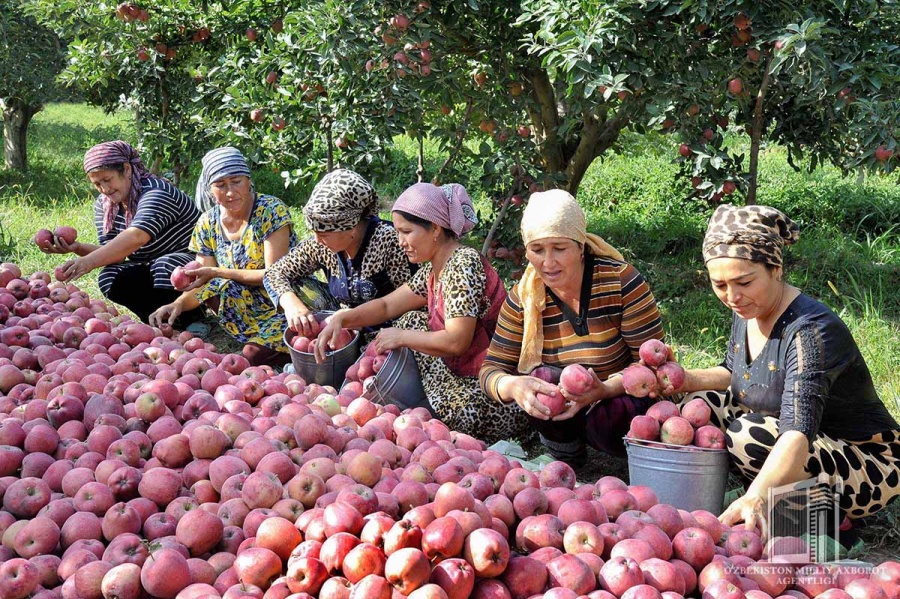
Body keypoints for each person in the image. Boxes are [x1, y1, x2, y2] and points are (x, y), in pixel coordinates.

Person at [669, 204, 900, 536]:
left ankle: (827, 518)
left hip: (865, 462)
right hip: (808, 439)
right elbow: (734, 372)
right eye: (719, 285)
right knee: (697, 401)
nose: (732, 296)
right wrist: (684, 380)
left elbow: (798, 431)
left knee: (749, 436)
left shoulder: (811, 330)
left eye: (744, 282)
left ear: (775, 268)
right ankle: (750, 494)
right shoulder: (749, 309)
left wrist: (756, 497)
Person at [316, 182, 530, 444]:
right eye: (398, 232)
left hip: (496, 390)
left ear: (436, 229)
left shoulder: (462, 265)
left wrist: (402, 337)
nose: (401, 242)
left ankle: (435, 414)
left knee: (410, 330)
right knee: (411, 319)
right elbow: (387, 306)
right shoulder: (434, 268)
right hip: (469, 371)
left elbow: (456, 340)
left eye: (407, 231)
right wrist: (342, 317)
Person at [479, 190, 665, 466]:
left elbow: (652, 364)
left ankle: (626, 453)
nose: (548, 262)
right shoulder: (524, 297)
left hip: (617, 397)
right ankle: (564, 450)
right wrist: (512, 385)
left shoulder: (620, 282)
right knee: (541, 378)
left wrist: (603, 389)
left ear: (580, 247)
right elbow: (490, 370)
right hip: (565, 402)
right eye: (537, 250)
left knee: (607, 418)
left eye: (560, 248)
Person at [149, 147, 296, 367]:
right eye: (220, 185)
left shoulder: (270, 211)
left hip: (286, 298)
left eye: (236, 181)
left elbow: (274, 275)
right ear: (210, 190)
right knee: (215, 287)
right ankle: (258, 336)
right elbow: (202, 280)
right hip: (244, 300)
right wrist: (177, 304)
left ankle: (289, 347)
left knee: (253, 355)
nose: (229, 192)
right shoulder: (208, 222)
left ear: (248, 181)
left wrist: (218, 272)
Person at [43, 140, 201, 323]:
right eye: (97, 184)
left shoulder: (157, 193)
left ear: (126, 169)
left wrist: (87, 262)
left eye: (108, 180)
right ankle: (157, 321)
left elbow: (137, 236)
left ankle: (192, 316)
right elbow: (114, 254)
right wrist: (76, 247)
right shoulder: (105, 205)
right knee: (109, 275)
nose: (105, 189)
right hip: (150, 265)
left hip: (190, 263)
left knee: (165, 265)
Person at [264, 169, 414, 338]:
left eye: (324, 234)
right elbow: (275, 272)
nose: (317, 240)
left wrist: (361, 327)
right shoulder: (320, 246)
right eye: (314, 232)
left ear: (351, 228)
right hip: (342, 325)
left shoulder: (390, 242)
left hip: (388, 330)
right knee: (296, 287)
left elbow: (411, 301)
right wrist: (291, 304)